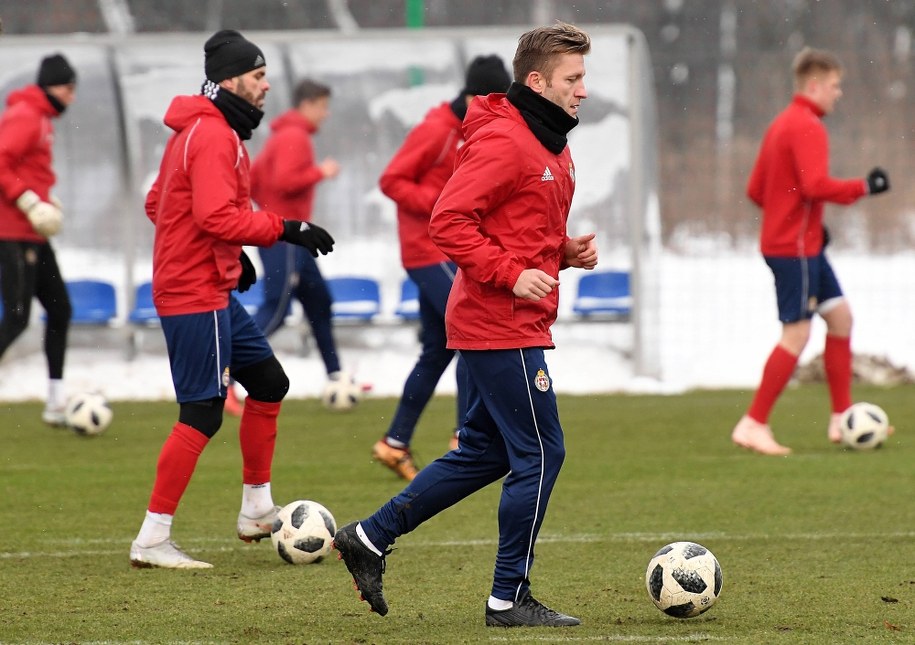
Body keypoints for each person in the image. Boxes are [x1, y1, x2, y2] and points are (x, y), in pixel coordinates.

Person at [334, 22, 597, 627]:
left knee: (485, 451)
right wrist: (511, 275)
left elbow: (519, 231)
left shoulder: (550, 141)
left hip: (508, 319)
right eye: (573, 78)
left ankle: (371, 536)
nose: (583, 90)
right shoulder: (508, 141)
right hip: (497, 321)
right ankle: (508, 599)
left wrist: (561, 253)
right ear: (537, 81)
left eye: (584, 77)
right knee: (541, 454)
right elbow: (448, 222)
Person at [129, 29, 335, 569]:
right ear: (230, 80)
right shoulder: (214, 135)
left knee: (269, 383)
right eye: (258, 75)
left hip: (208, 282)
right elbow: (214, 214)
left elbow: (161, 202)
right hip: (192, 290)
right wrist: (287, 227)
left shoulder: (200, 131)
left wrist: (228, 250)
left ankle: (257, 509)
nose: (267, 85)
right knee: (201, 411)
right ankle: (152, 538)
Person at [731, 47, 890, 456]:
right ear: (815, 85)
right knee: (797, 333)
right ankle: (754, 423)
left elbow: (756, 190)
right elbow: (815, 186)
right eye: (835, 86)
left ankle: (841, 417)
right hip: (795, 251)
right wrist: (864, 187)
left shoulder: (782, 123)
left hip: (801, 245)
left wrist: (802, 224)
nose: (839, 94)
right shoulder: (807, 126)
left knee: (840, 318)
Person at [372, 54, 511, 481]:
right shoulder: (436, 130)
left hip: (446, 253)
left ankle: (394, 443)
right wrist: (440, 206)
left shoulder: (471, 130)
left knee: (438, 349)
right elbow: (391, 180)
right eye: (492, 101)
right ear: (472, 96)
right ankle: (463, 439)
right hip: (426, 252)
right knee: (472, 330)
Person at [239, 77, 349, 416]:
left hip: (291, 237)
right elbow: (286, 181)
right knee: (278, 307)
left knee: (319, 301)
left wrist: (268, 209)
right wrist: (320, 172)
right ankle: (228, 370)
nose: (325, 114)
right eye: (322, 106)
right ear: (307, 104)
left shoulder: (281, 134)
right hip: (285, 238)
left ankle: (336, 375)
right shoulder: (295, 136)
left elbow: (254, 181)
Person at [0, 53, 76, 426]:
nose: (71, 97)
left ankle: (56, 401)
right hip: (11, 232)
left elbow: (30, 168)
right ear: (50, 86)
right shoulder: (27, 116)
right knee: (16, 319)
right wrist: (28, 199)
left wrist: (46, 198)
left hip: (32, 232)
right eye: (68, 88)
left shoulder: (42, 119)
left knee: (60, 308)